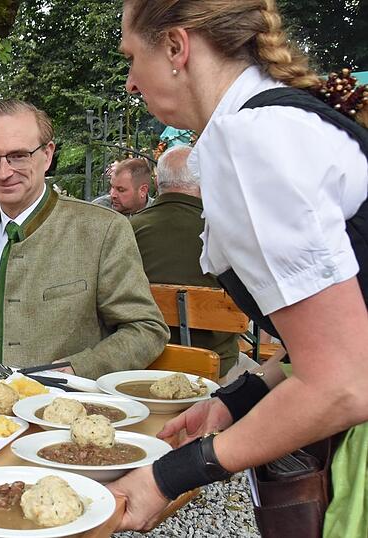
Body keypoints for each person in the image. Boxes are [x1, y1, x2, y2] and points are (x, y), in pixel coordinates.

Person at [109, 2, 368, 535]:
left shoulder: (255, 140)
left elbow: (344, 381)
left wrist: (170, 474)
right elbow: (335, 336)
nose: (132, 82)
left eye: (133, 58)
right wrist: (238, 399)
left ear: (178, 48)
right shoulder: (278, 122)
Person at [0, 99, 168, 379]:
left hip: (56, 410)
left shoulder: (102, 229)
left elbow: (146, 328)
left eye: (19, 155)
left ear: (47, 155)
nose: (3, 171)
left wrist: (74, 370)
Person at [131, 146, 241, 376]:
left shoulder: (129, 229)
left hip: (145, 359)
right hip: (215, 363)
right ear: (204, 179)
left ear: (157, 181)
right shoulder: (227, 230)